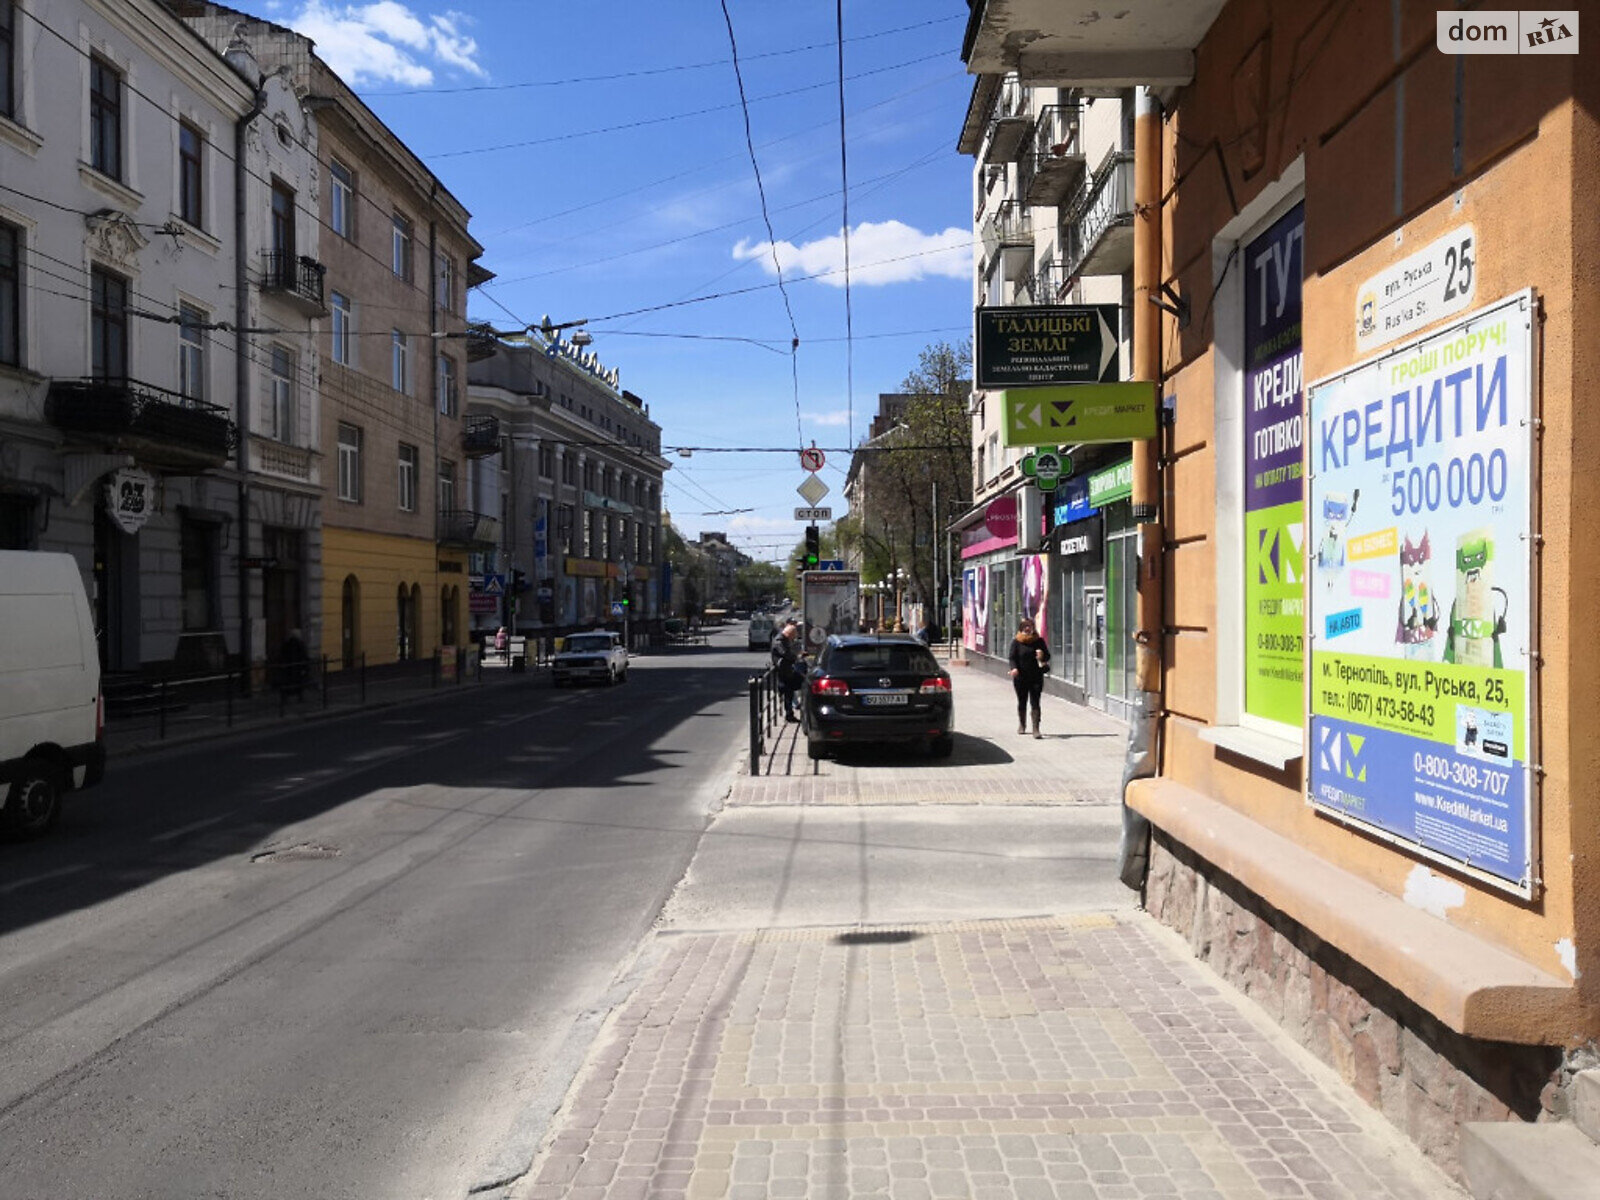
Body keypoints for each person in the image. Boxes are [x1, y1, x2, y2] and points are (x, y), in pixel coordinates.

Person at [1007, 617, 1051, 738]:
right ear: (1021, 628)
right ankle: (1022, 724)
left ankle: (1036, 729)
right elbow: (1012, 657)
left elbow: (1047, 656)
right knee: (1022, 701)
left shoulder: (1039, 641)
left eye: (1030, 626)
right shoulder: (1016, 642)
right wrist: (1014, 668)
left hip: (1036, 676)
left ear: (1033, 628)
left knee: (1035, 702)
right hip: (1020, 677)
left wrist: (1042, 656)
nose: (1027, 628)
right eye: (1025, 626)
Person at [770, 620, 805, 722]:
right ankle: (790, 714)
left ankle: (790, 713)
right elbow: (786, 654)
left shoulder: (783, 639)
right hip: (784, 671)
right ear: (789, 634)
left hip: (787, 669)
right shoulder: (780, 641)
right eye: (793, 636)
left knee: (791, 691)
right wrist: (797, 657)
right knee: (790, 691)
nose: (793, 639)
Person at [277, 628, 309, 701]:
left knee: (287, 683)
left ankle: (285, 698)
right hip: (298, 667)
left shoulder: (287, 644)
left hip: (289, 668)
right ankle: (300, 697)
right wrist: (305, 667)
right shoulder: (301, 644)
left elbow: (282, 655)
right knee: (299, 683)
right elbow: (304, 656)